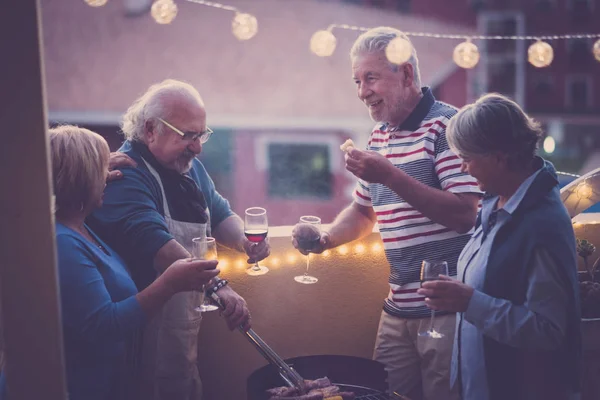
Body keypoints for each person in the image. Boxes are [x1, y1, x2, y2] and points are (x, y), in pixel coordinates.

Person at [293, 27, 481, 399]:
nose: (363, 92)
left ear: (407, 74)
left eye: (372, 78)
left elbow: (465, 213)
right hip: (396, 312)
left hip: (447, 311)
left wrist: (389, 175)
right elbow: (364, 213)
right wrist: (326, 239)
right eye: (357, 81)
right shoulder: (379, 136)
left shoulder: (448, 127)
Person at [87, 79, 270, 400]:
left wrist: (245, 241)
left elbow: (219, 211)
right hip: (138, 331)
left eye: (201, 134)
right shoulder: (127, 173)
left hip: (184, 320)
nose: (198, 146)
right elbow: (156, 244)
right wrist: (218, 286)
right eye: (187, 135)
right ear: (150, 130)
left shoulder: (189, 167)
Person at [417, 93, 581, 400]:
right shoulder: (496, 200)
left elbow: (549, 330)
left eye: (466, 158)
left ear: (497, 156)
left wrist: (470, 302)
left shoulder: (540, 224)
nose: (463, 168)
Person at [48, 126, 219, 400]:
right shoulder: (63, 243)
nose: (110, 178)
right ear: (79, 179)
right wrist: (169, 283)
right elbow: (106, 327)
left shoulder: (83, 228)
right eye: (99, 170)